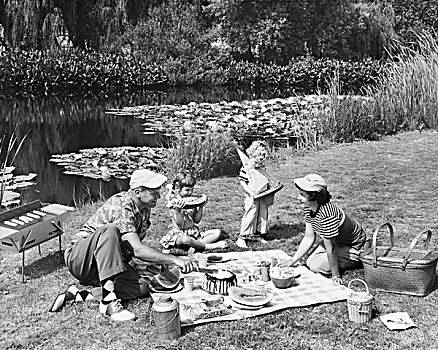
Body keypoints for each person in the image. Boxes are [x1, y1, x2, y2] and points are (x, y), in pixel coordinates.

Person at [63, 169, 196, 321]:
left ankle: (79, 294)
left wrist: (159, 264)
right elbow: (137, 249)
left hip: (101, 265)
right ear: (138, 191)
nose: (158, 196)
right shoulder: (123, 206)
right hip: (80, 259)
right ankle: (108, 301)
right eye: (154, 192)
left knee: (141, 287)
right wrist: (173, 259)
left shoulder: (144, 209)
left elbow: (131, 248)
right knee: (110, 230)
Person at [282, 173, 370, 284]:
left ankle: (359, 260)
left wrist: (335, 276)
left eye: (302, 195)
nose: (298, 198)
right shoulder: (309, 208)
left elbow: (331, 249)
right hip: (337, 242)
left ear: (313, 196)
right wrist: (292, 261)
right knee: (309, 262)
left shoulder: (328, 214)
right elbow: (309, 237)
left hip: (355, 246)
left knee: (315, 266)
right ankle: (342, 258)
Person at [160, 172, 228, 254]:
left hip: (194, 233)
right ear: (178, 188)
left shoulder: (193, 201)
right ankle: (208, 246)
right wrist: (178, 211)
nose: (190, 193)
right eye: (187, 190)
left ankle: (194, 247)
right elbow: (180, 225)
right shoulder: (173, 203)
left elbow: (196, 220)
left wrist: (201, 207)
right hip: (180, 234)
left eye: (192, 189)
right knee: (186, 240)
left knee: (217, 233)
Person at [236, 141, 276, 249]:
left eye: (263, 157)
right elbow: (243, 182)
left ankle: (258, 233)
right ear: (253, 155)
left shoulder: (261, 168)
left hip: (262, 195)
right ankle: (242, 237)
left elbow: (265, 179)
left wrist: (270, 187)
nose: (262, 160)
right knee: (250, 215)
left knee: (262, 214)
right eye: (259, 157)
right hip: (252, 196)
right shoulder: (247, 168)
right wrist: (250, 192)